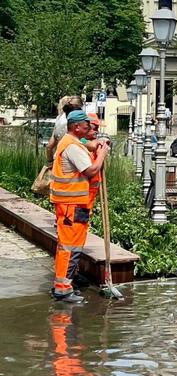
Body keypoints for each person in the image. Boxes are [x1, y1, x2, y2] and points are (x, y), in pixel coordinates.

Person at [50, 110, 110, 302]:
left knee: (71, 246)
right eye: (87, 126)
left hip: (76, 204)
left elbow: (88, 144)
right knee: (69, 247)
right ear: (76, 127)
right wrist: (102, 154)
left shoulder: (72, 142)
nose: (90, 129)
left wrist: (96, 147)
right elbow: (91, 170)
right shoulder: (72, 146)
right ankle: (63, 288)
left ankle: (67, 282)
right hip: (72, 205)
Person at [46, 96, 84, 168]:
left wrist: (50, 162)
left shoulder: (59, 118)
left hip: (58, 158)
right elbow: (82, 140)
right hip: (73, 160)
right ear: (79, 106)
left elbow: (49, 146)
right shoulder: (77, 119)